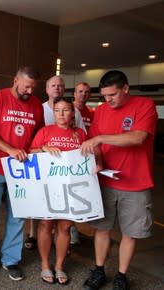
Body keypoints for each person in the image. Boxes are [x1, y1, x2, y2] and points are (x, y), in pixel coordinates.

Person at [81, 70, 157, 290]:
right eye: (104, 95)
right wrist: (98, 160)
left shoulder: (144, 105)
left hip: (136, 183)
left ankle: (121, 275)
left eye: (112, 94)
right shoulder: (102, 110)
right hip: (105, 181)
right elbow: (95, 147)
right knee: (102, 229)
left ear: (125, 88)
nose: (108, 100)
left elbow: (138, 137)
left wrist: (101, 138)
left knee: (130, 233)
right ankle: (98, 269)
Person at [0, 67, 44, 281]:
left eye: (33, 87)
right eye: (26, 86)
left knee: (18, 216)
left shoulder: (35, 105)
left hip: (22, 171)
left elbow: (38, 135)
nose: (29, 91)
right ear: (15, 80)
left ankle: (11, 259)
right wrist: (10, 150)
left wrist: (37, 150)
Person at [29, 96, 89, 285]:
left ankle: (60, 266)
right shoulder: (45, 131)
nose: (61, 114)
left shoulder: (80, 134)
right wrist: (43, 148)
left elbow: (87, 159)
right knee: (46, 225)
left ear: (73, 113)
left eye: (65, 110)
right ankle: (45, 264)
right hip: (49, 186)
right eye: (57, 110)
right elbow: (30, 153)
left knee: (65, 227)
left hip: (71, 188)